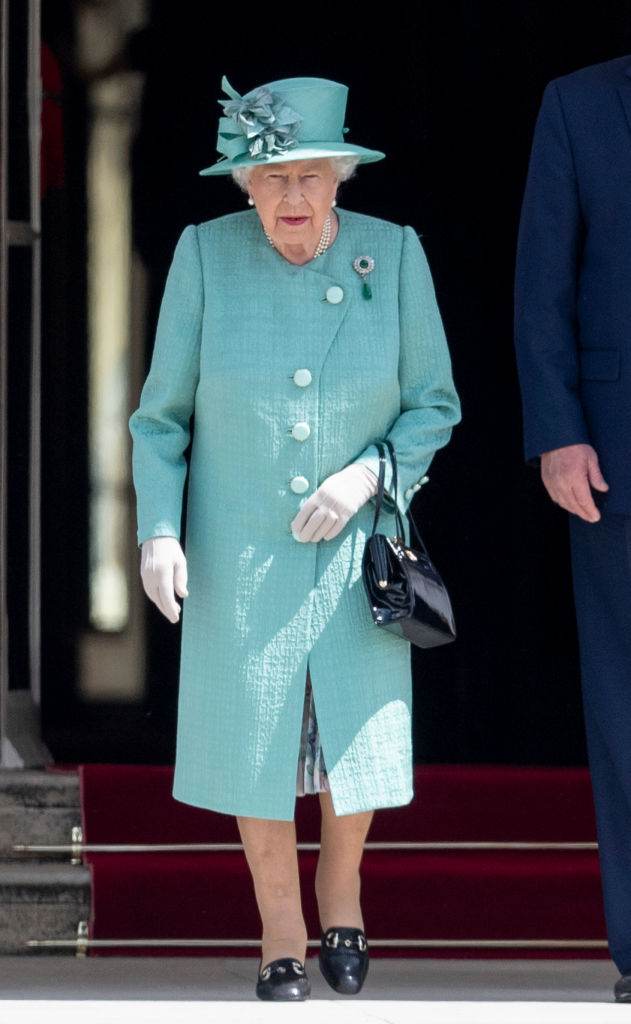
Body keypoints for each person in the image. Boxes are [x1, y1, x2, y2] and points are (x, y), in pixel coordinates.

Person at [130, 75, 460, 1001]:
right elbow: (162, 421)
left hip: (356, 549)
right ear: (241, 183)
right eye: (271, 179)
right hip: (241, 548)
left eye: (311, 177)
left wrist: (370, 476)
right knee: (254, 736)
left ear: (342, 177)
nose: (292, 199)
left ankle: (340, 889)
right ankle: (279, 921)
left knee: (349, 734)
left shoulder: (393, 258)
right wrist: (160, 531)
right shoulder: (205, 256)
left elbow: (433, 405)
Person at [514, 55, 631, 1003]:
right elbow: (541, 279)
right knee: (624, 709)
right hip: (615, 457)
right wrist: (557, 432)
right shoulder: (578, 103)